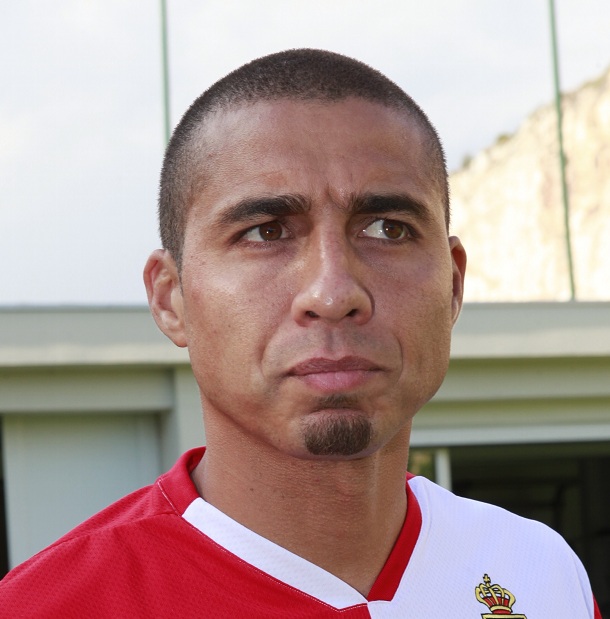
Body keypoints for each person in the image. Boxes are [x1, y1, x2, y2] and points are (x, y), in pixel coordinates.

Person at [0, 49, 601, 618]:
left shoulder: (538, 571)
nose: (333, 294)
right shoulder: (46, 606)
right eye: (266, 232)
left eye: (388, 228)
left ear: (453, 285)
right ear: (171, 297)